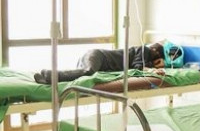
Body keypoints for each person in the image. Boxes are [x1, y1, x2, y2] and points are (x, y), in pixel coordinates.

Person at [34, 43, 165, 84]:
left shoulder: (145, 56)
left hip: (97, 57)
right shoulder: (145, 49)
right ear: (155, 51)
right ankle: (50, 74)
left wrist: (152, 65)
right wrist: (154, 68)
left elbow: (138, 65)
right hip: (100, 56)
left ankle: (48, 80)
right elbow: (138, 67)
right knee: (89, 72)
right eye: (158, 56)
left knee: (83, 75)